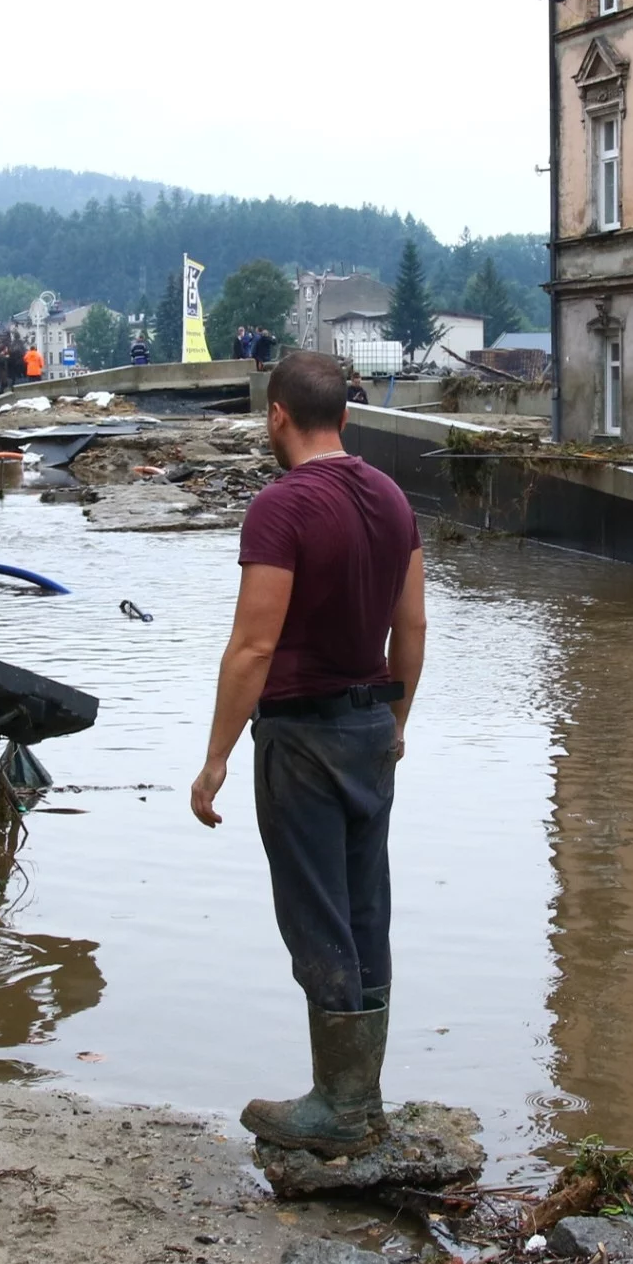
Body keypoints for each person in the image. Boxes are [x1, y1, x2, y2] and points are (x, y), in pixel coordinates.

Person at [192, 351, 426, 1157]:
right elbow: (414, 626)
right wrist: (399, 716)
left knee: (316, 914)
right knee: (367, 907)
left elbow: (254, 645)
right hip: (370, 729)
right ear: (348, 417)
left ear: (278, 415)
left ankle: (338, 1104)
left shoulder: (282, 508)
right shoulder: (393, 498)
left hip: (301, 737)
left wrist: (216, 756)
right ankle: (363, 1096)